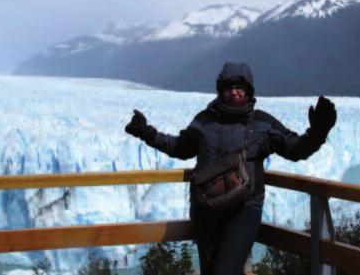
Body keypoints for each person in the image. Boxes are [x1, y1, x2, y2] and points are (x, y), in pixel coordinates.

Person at [124, 62, 337, 275]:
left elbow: (295, 149)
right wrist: (146, 132)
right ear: (220, 90)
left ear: (249, 90)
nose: (234, 92)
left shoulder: (261, 123)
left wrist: (317, 133)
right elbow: (180, 147)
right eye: (229, 87)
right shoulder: (204, 120)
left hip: (244, 209)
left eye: (240, 87)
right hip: (206, 208)